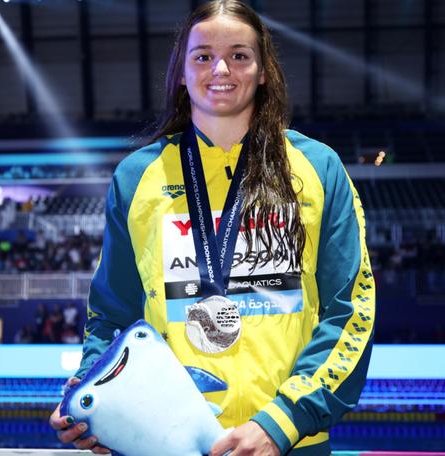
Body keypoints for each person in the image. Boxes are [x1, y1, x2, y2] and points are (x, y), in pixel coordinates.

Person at [48, 1, 376, 455]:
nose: (221, 68)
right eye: (202, 56)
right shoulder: (136, 177)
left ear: (264, 70)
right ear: (181, 73)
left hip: (287, 443)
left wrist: (282, 422)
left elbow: (351, 310)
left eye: (240, 55)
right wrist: (90, 398)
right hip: (163, 442)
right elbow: (112, 315)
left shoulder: (318, 168)